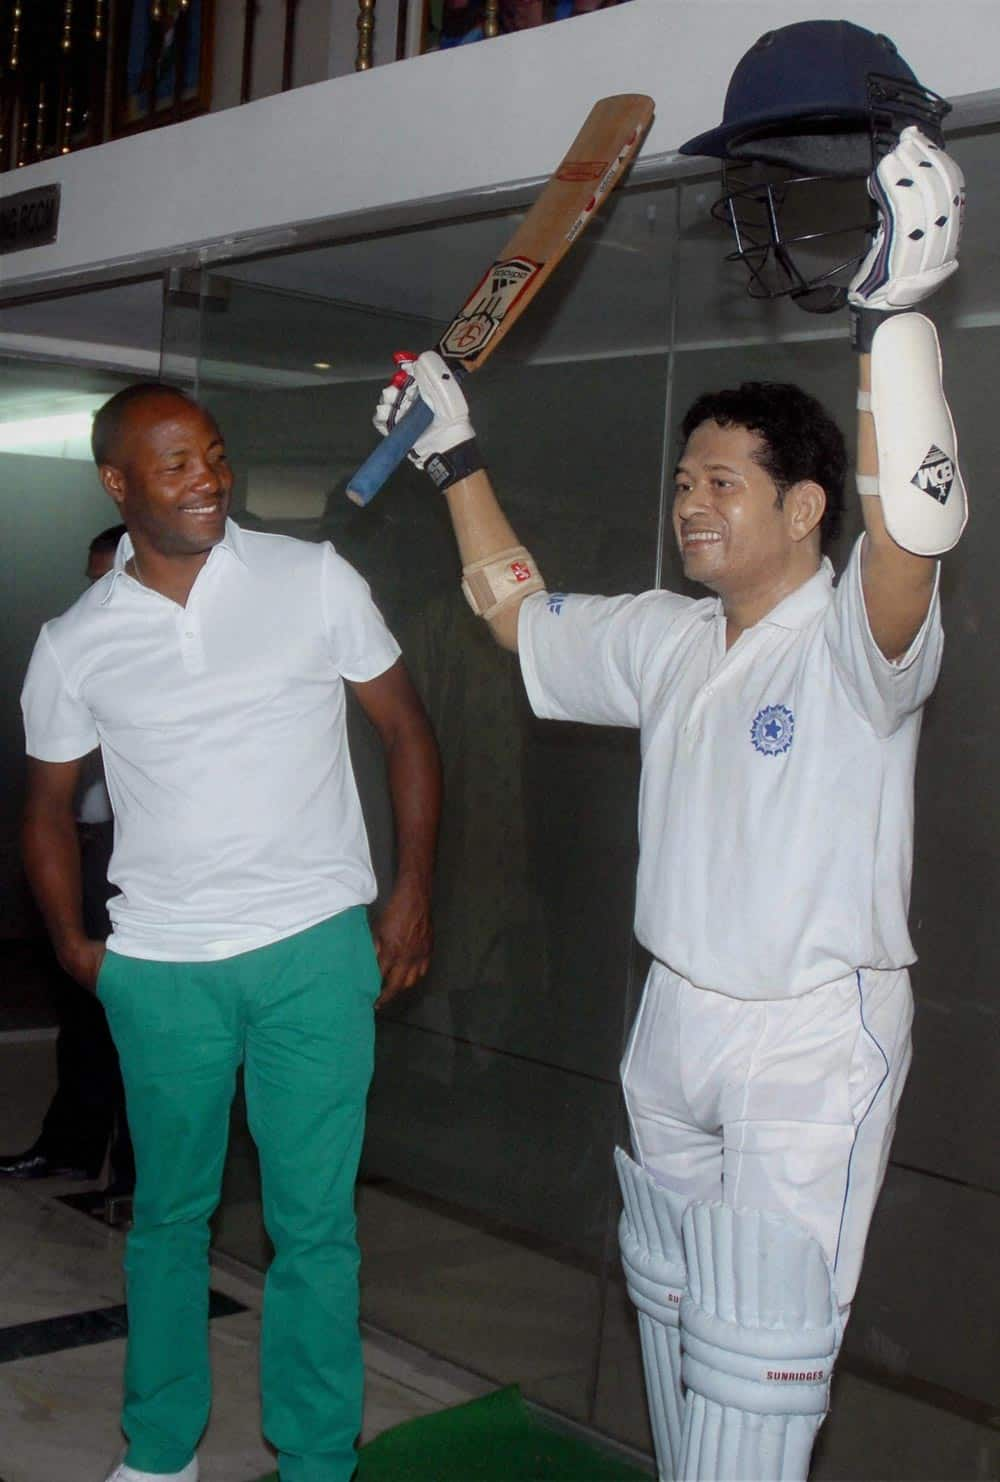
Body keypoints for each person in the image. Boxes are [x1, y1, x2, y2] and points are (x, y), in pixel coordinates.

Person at [371, 123, 965, 1480]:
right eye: (684, 479)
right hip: (675, 1012)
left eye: (721, 484)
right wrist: (456, 460)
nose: (691, 502)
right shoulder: (668, 634)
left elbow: (917, 542)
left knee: (760, 1361)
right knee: (677, 1314)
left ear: (808, 506)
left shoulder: (856, 643)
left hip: (809, 1031)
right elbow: (517, 616)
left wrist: (895, 329)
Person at [20, 384, 442, 1482]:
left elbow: (403, 730)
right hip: (162, 970)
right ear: (119, 483)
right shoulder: (77, 641)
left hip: (312, 950)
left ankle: (314, 1461)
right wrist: (76, 947)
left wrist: (409, 892)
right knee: (168, 1222)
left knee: (315, 1230)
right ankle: (160, 1454)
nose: (207, 477)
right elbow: (46, 809)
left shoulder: (310, 578)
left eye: (212, 454)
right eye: (175, 464)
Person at [2, 525, 135, 1196]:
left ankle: (139, 1176)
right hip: (85, 851)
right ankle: (71, 1146)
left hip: (143, 858)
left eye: (107, 575)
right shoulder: (74, 648)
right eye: (90, 578)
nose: (96, 591)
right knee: (81, 1007)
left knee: (141, 1019)